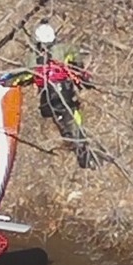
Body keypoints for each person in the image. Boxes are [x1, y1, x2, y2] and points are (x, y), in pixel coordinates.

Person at [31, 21, 98, 168]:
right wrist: (81, 72)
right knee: (74, 116)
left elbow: (24, 75)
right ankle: (82, 148)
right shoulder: (64, 49)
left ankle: (67, 133)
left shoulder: (32, 57)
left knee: (60, 117)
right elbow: (76, 59)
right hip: (64, 90)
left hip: (46, 95)